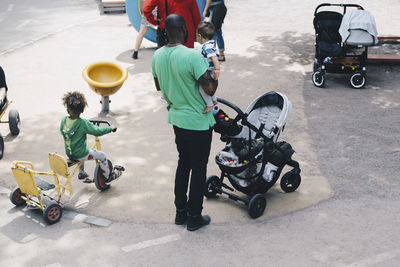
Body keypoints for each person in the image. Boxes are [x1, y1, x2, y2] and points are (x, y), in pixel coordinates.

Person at [152, 14, 218, 231]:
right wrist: (215, 73)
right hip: (198, 121)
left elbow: (158, 86)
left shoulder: (157, 55)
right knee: (199, 168)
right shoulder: (192, 56)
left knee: (184, 164)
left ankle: (181, 213)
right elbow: (210, 88)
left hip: (178, 120)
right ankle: (194, 216)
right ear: (183, 28)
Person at [60, 91, 122, 183]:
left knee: (81, 147)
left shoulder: (64, 120)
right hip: (81, 154)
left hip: (70, 152)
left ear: (68, 110)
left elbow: (62, 131)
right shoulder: (83, 123)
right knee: (102, 156)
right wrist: (110, 128)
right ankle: (108, 176)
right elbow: (96, 131)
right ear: (82, 110)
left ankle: (81, 172)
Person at [196, 21, 220, 113]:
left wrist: (217, 69)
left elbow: (213, 57)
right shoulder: (210, 44)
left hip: (210, 70)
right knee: (211, 86)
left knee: (202, 88)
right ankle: (214, 100)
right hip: (210, 69)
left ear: (200, 36)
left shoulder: (207, 47)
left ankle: (209, 105)